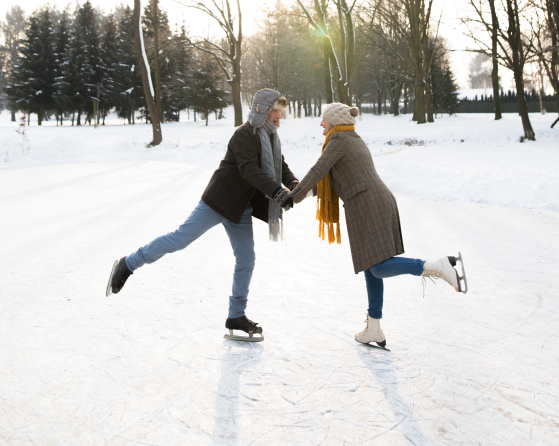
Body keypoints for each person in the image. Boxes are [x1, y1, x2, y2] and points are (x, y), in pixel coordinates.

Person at [106, 89, 299, 341]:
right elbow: (249, 169)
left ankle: (236, 315)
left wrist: (292, 182)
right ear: (263, 110)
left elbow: (279, 164)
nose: (279, 116)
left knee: (246, 260)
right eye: (276, 111)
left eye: (281, 112)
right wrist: (277, 191)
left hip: (241, 208)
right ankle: (129, 263)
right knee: (180, 239)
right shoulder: (244, 134)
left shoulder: (270, 137)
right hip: (219, 201)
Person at [285, 102, 467, 349]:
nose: (321, 124)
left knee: (377, 267)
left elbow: (318, 170)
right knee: (370, 268)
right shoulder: (349, 138)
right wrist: (296, 195)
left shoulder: (339, 140)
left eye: (324, 119)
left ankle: (434, 267)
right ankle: (373, 327)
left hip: (367, 204)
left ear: (334, 122)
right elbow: (324, 181)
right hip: (371, 201)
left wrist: (292, 197)